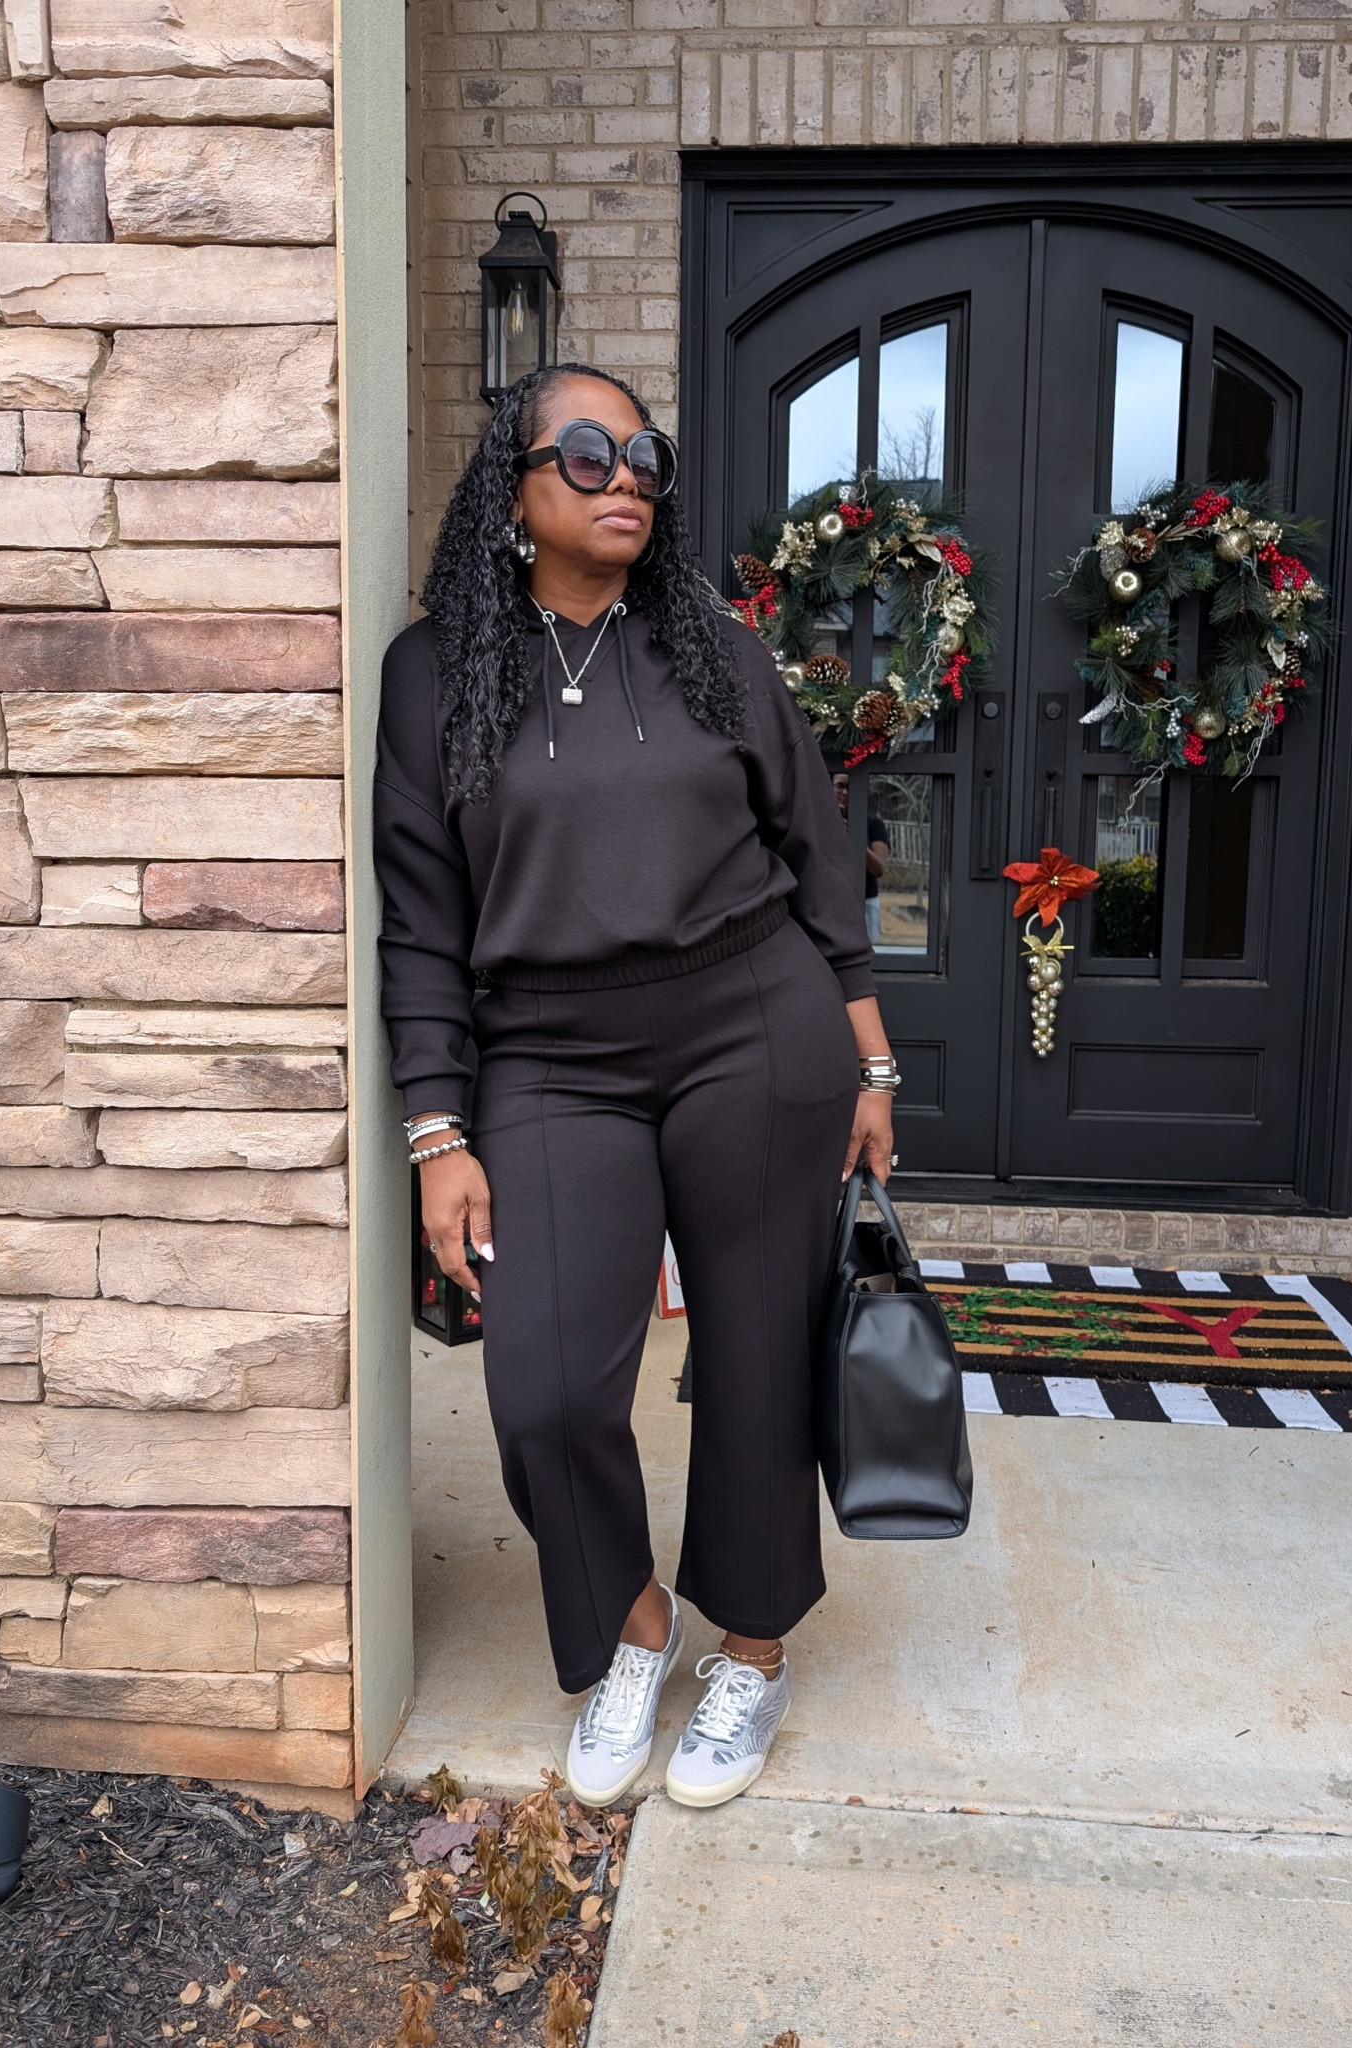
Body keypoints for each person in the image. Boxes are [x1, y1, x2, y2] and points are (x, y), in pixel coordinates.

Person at [374, 363, 899, 1811]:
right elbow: (418, 920)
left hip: (751, 1023)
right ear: (514, 489)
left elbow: (818, 856)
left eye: (646, 455)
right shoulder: (430, 674)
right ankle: (632, 1626)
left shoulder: (715, 649)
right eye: (590, 452)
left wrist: (867, 1055)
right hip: (545, 1051)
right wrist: (438, 1128)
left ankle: (753, 1653)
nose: (627, 479)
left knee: (755, 1359)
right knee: (541, 1384)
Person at [832, 770, 891, 945]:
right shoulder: (818, 822)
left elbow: (878, 869)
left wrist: (852, 835)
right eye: (840, 786)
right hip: (830, 901)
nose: (845, 793)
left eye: (850, 787)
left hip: (864, 899)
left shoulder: (873, 824)